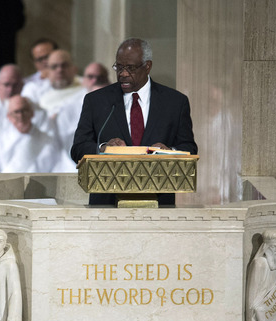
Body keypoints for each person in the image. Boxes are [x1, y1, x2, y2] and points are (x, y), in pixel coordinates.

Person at [70, 38, 198, 204]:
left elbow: (189, 148)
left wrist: (169, 152)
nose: (123, 74)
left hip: (158, 205)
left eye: (130, 68)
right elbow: (78, 148)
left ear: (147, 66)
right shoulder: (96, 101)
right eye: (119, 67)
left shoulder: (175, 102)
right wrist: (103, 148)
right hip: (107, 205)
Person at [0, 96, 67, 176]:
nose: (20, 116)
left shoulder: (49, 142)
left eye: (24, 110)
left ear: (32, 113)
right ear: (9, 116)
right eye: (16, 112)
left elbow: (59, 168)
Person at [52, 62, 109, 155]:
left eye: (100, 77)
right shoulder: (70, 104)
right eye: (90, 77)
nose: (95, 80)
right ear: (84, 80)